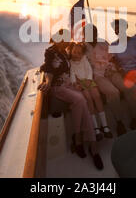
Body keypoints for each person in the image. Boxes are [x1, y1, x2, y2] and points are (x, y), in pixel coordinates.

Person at [38, 29, 103, 170]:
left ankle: (93, 146)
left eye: (66, 40)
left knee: (83, 104)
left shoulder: (65, 51)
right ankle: (79, 138)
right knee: (80, 100)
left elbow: (78, 57)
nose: (64, 42)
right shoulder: (50, 52)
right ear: (56, 39)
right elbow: (48, 68)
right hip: (58, 87)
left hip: (70, 85)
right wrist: (48, 82)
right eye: (62, 39)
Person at [83, 24, 127, 136]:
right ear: (84, 34)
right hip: (97, 76)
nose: (92, 35)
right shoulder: (81, 47)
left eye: (94, 32)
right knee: (113, 92)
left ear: (96, 33)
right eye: (88, 32)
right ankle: (119, 122)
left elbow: (112, 58)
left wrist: (118, 69)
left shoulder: (103, 42)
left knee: (129, 88)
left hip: (111, 71)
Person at [69, 42, 112, 140]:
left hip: (89, 80)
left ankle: (104, 125)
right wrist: (75, 83)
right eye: (75, 52)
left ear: (83, 54)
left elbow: (89, 70)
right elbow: (72, 74)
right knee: (88, 99)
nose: (76, 54)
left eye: (79, 53)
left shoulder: (84, 59)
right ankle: (96, 127)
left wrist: (89, 79)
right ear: (71, 51)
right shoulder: (70, 62)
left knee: (97, 96)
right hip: (80, 83)